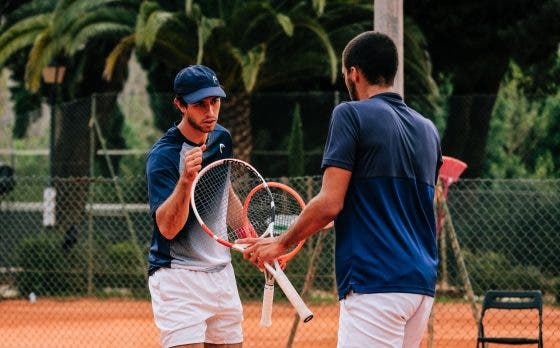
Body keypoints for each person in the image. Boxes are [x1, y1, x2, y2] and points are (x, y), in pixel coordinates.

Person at [239, 31, 442, 348]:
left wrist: (280, 244)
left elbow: (331, 203)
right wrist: (285, 234)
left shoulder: (350, 114)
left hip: (374, 282)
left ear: (353, 72)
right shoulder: (428, 129)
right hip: (420, 286)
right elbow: (366, 207)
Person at [146, 65, 243, 348]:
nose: (210, 111)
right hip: (178, 277)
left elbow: (223, 191)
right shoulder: (163, 156)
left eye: (214, 101)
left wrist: (248, 235)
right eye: (199, 104)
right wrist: (186, 180)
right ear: (179, 104)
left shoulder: (221, 138)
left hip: (222, 274)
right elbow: (167, 228)